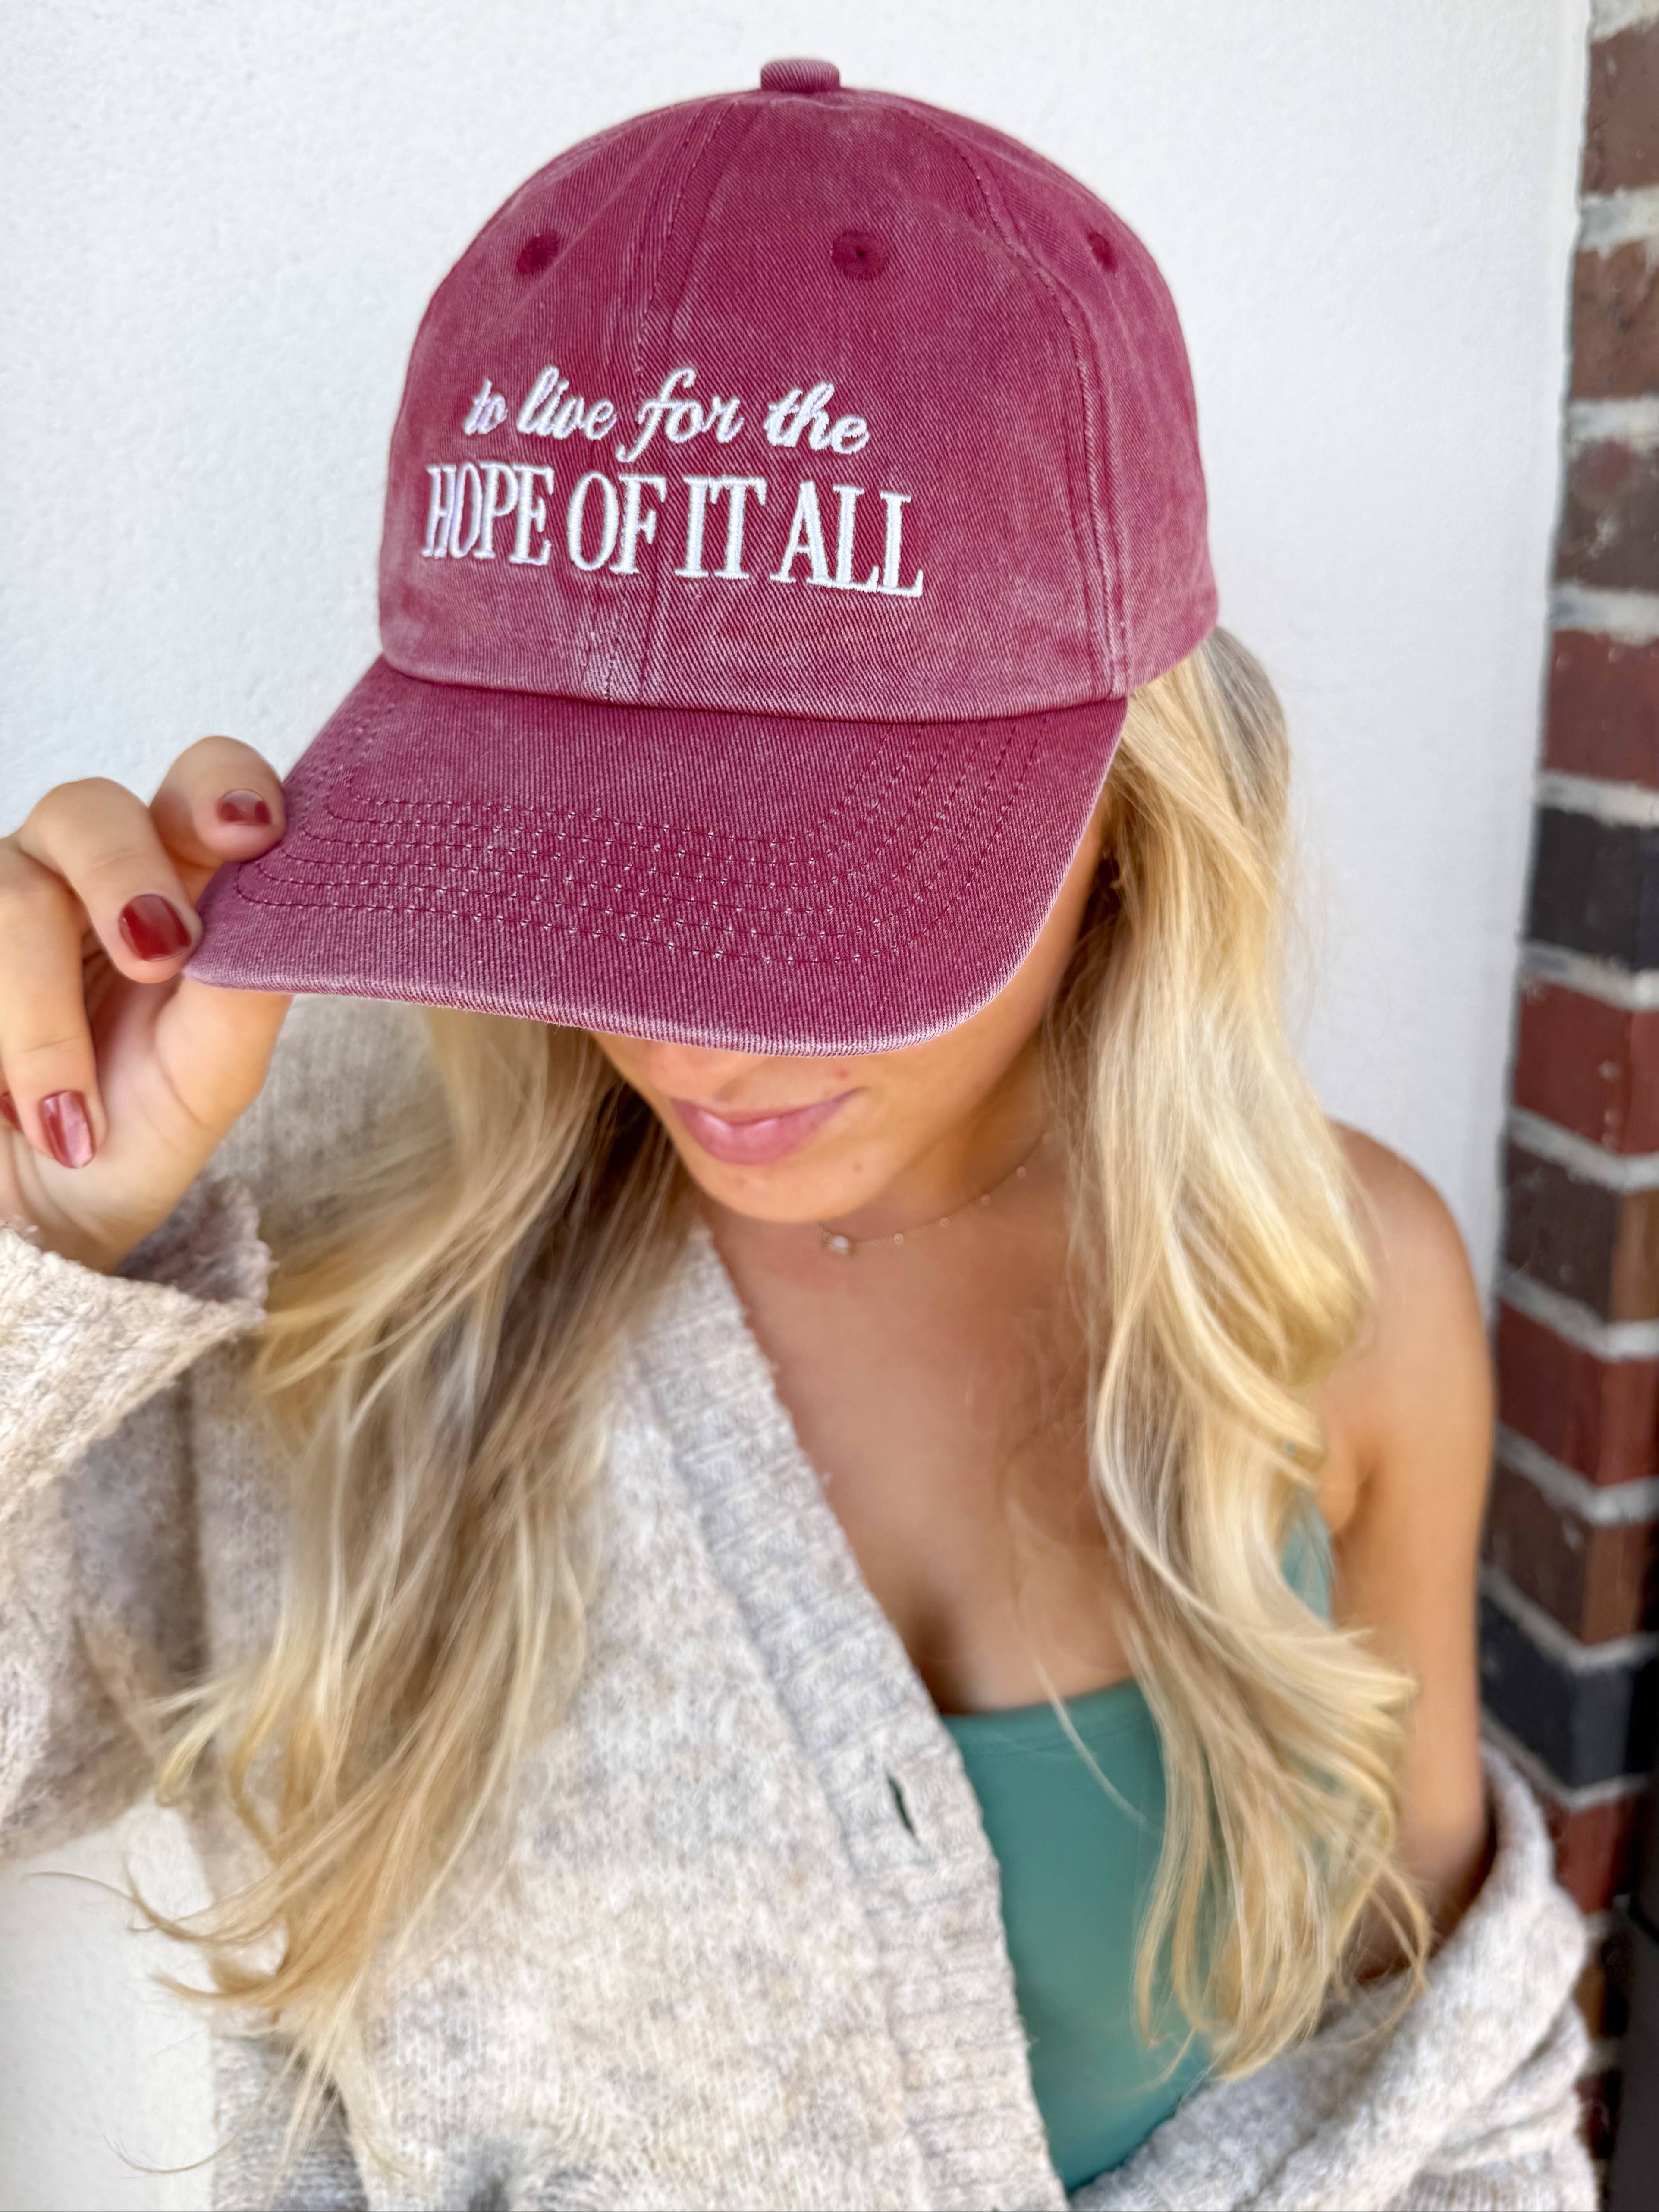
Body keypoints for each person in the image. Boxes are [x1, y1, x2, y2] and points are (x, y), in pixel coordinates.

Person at [0, 59, 1593, 2211]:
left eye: (815, 888)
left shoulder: (1332, 1278)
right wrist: (45, 1249)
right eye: (575, 865)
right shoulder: (320, 1232)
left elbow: (1441, 2073)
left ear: (1132, 799)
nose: (677, 1035)